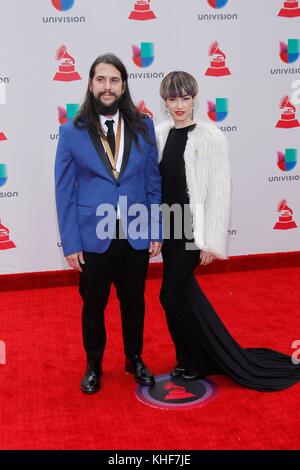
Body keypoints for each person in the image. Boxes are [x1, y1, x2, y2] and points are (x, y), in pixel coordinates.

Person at [155, 71, 300, 391]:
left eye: (185, 97)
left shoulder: (210, 137)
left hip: (193, 228)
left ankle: (206, 359)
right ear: (164, 101)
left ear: (194, 98)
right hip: (170, 227)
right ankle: (188, 359)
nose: (179, 105)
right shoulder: (161, 134)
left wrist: (209, 241)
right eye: (173, 98)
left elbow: (219, 191)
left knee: (171, 293)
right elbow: (157, 185)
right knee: (180, 296)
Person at [55, 54, 162, 394]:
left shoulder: (143, 126)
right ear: (90, 84)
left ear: (124, 85)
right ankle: (94, 365)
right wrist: (71, 243)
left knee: (135, 301)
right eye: (100, 80)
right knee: (94, 304)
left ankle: (134, 358)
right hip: (93, 236)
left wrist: (157, 228)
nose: (107, 87)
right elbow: (64, 192)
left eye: (114, 80)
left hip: (135, 232)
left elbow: (153, 182)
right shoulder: (71, 132)